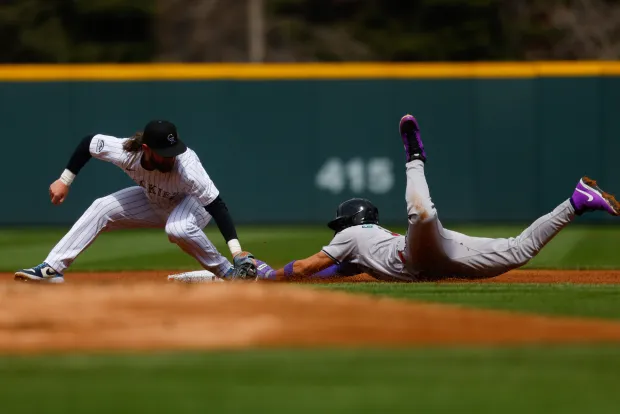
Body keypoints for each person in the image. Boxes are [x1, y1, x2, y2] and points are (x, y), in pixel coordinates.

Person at [250, 114, 620, 282]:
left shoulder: (352, 237)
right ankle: (575, 202)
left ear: (350, 222)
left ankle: (414, 158)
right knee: (517, 251)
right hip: (442, 259)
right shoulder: (360, 251)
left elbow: (306, 268)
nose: (337, 230)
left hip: (417, 254)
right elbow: (328, 272)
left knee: (423, 215)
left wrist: (269, 275)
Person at [15, 120, 256, 283]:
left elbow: (217, 206)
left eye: (172, 151)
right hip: (155, 201)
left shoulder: (188, 167)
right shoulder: (126, 152)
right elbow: (89, 143)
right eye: (163, 153)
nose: (170, 158)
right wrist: (64, 180)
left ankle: (229, 272)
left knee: (178, 228)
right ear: (146, 149)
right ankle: (53, 268)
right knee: (102, 207)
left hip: (191, 206)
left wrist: (237, 252)